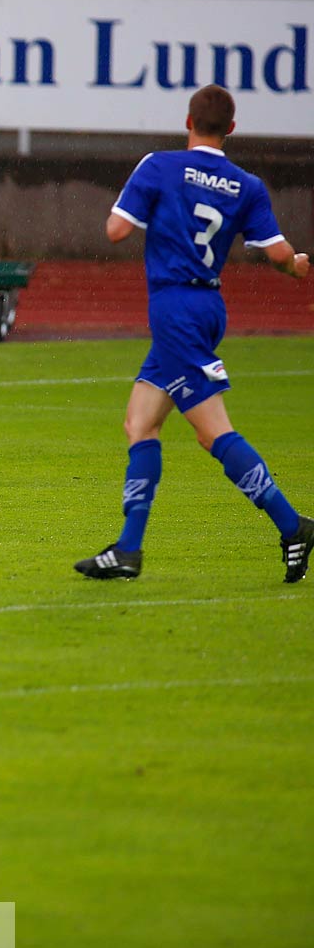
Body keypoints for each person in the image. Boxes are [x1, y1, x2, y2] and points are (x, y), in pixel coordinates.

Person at [78, 84, 312, 583]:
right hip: (206, 302)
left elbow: (116, 231)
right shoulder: (246, 185)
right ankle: (128, 550)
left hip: (175, 310)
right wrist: (296, 266)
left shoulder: (158, 166)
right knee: (139, 424)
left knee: (213, 433)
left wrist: (153, 215)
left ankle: (293, 526)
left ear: (188, 121)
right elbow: (276, 254)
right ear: (230, 129)